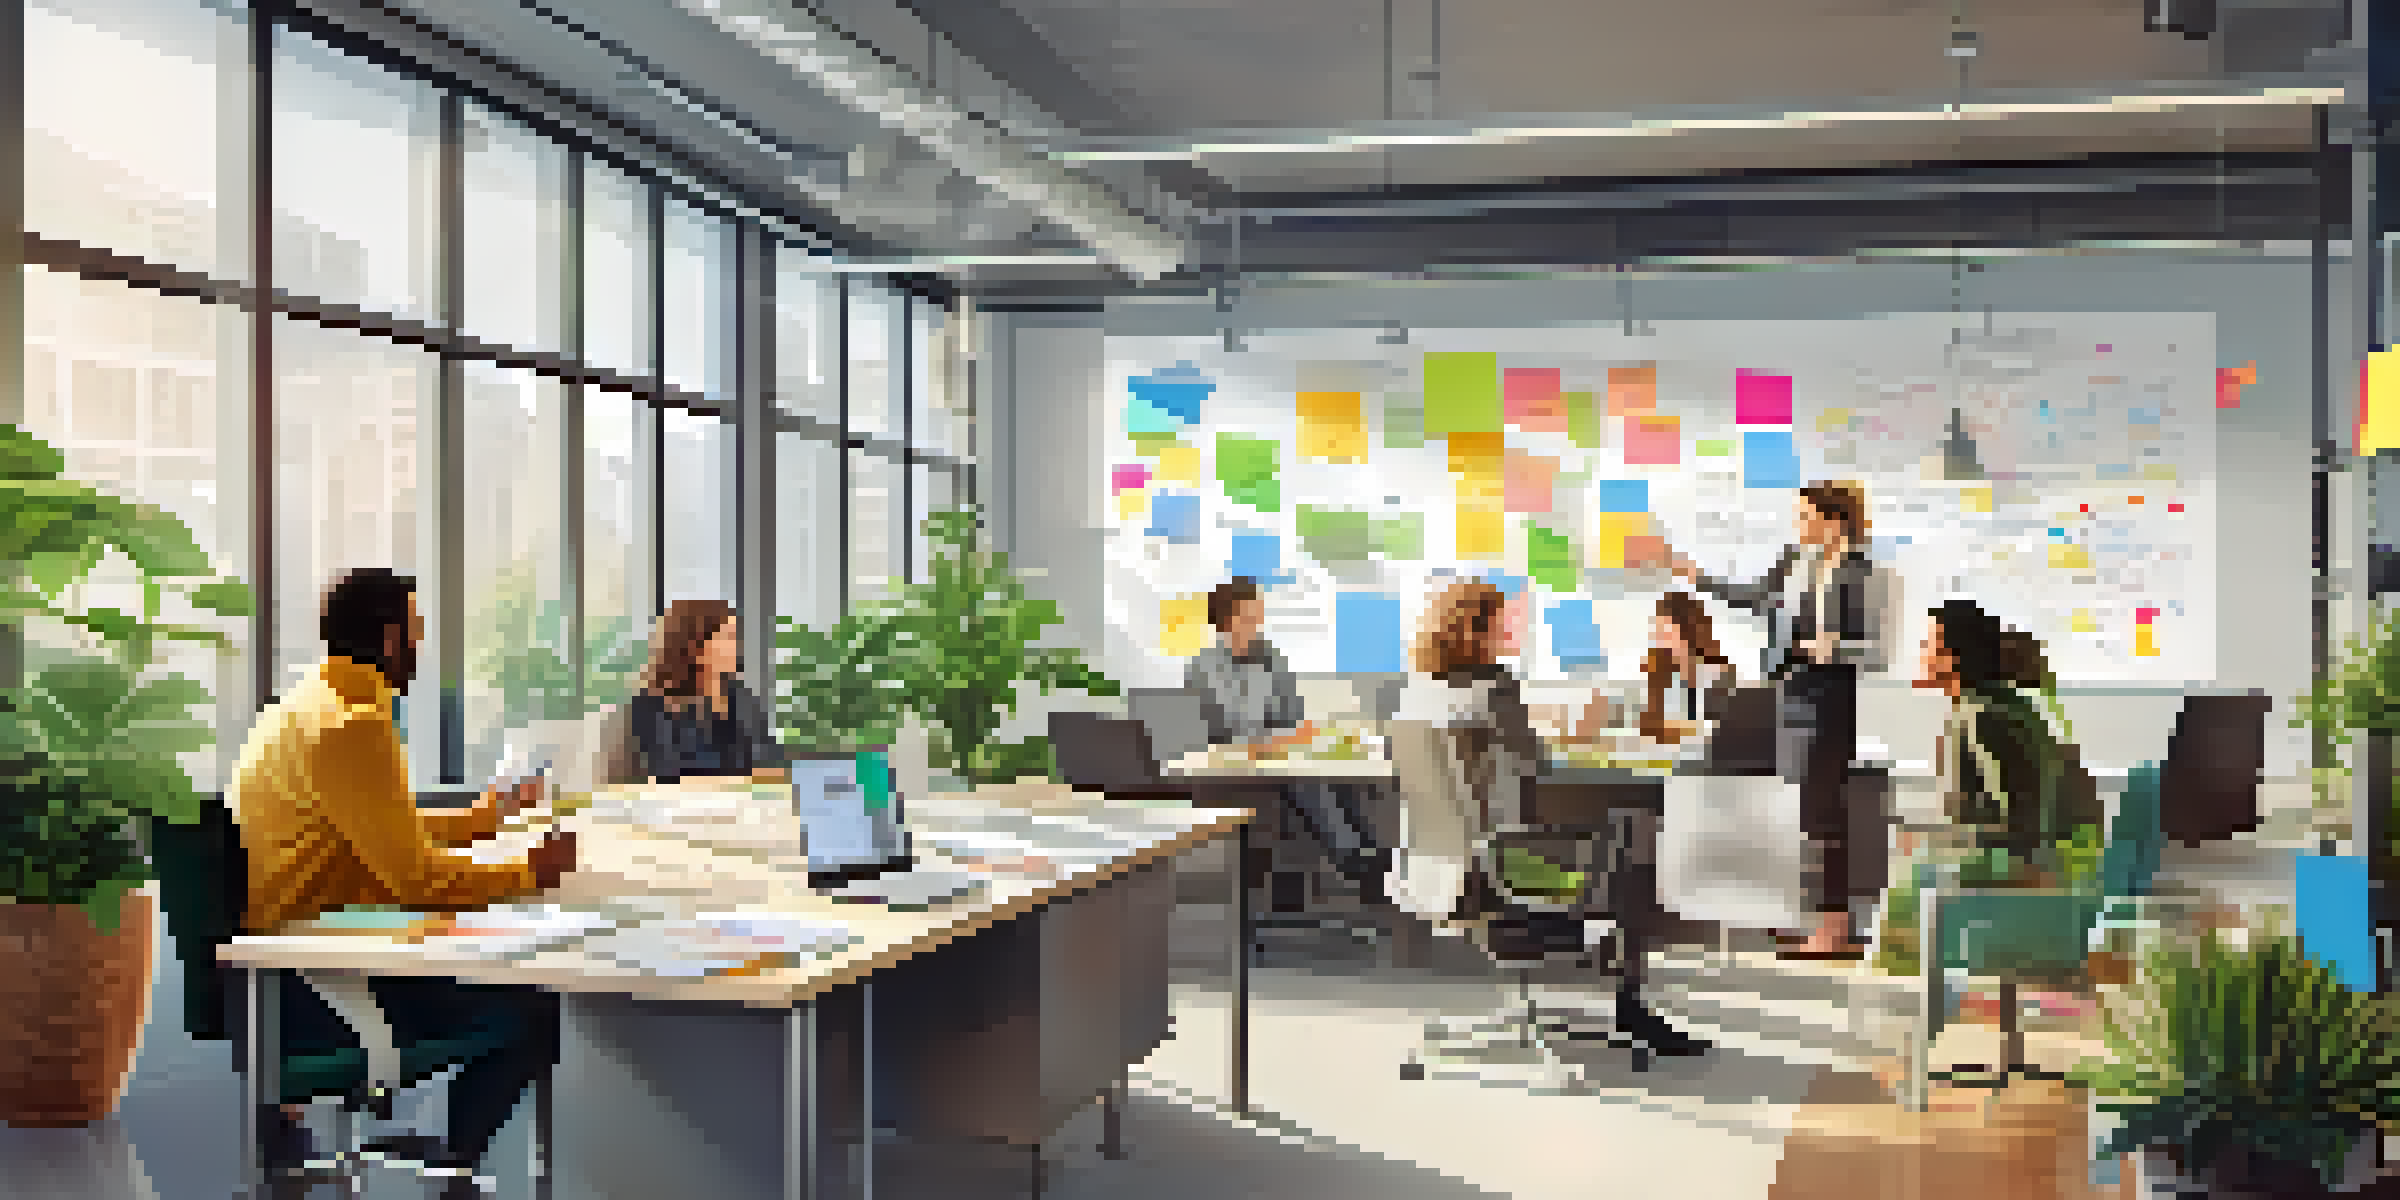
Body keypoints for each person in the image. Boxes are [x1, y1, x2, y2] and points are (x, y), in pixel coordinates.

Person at [227, 568, 574, 1197]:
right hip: (322, 980)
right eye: (416, 631)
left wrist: (482, 820)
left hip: (289, 961)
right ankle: (455, 1166)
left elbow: (386, 832)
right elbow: (414, 877)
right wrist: (530, 872)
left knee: (497, 963)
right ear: (389, 639)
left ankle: (449, 1155)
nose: (420, 646)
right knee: (536, 1004)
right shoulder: (354, 724)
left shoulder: (306, 705)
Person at [1392, 580, 1707, 1056]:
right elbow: (1536, 765)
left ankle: (1619, 994)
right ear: (1477, 630)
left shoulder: (1417, 693)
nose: (1513, 628)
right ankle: (1630, 1008)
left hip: (1436, 873)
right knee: (1636, 845)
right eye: (1503, 620)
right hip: (1496, 874)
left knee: (1619, 845)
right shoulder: (1496, 687)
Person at [1668, 480, 1879, 959]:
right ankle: (1808, 920)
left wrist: (1836, 648)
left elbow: (1876, 647)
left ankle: (1833, 929)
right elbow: (1756, 597)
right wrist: (1699, 579)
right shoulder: (1792, 563)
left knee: (1824, 814)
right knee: (1797, 814)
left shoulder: (1859, 573)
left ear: (1836, 521)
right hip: (1789, 693)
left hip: (1829, 698)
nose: (1799, 527)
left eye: (1807, 518)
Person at [1184, 577, 1388, 895]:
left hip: (1278, 754)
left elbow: (1292, 713)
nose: (1257, 624)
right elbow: (1226, 730)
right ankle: (1355, 860)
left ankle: (1371, 854)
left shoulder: (1272, 657)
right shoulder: (1205, 666)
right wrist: (1276, 738)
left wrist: (1292, 736)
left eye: (1259, 615)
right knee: (1306, 778)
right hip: (1233, 768)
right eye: (1249, 617)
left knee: (1340, 774)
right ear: (1226, 621)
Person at [1915, 600, 2103, 884]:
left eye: (1929, 643)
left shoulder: (1980, 717)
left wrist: (1931, 843)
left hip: (2002, 889)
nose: (1922, 654)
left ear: (1952, 655)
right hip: (2019, 880)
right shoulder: (2008, 708)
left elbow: (2019, 827)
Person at [627, 599, 790, 785]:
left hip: (745, 806)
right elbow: (668, 777)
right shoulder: (652, 704)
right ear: (696, 644)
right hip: (687, 809)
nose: (737, 647)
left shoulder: (740, 696)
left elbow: (772, 762)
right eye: (728, 637)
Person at [1636, 590, 1737, 745]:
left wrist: (1675, 729)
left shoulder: (1718, 672)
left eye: (1667, 630)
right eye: (1659, 630)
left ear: (1688, 630)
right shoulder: (1661, 673)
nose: (1660, 639)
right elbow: (1649, 728)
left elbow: (1723, 727)